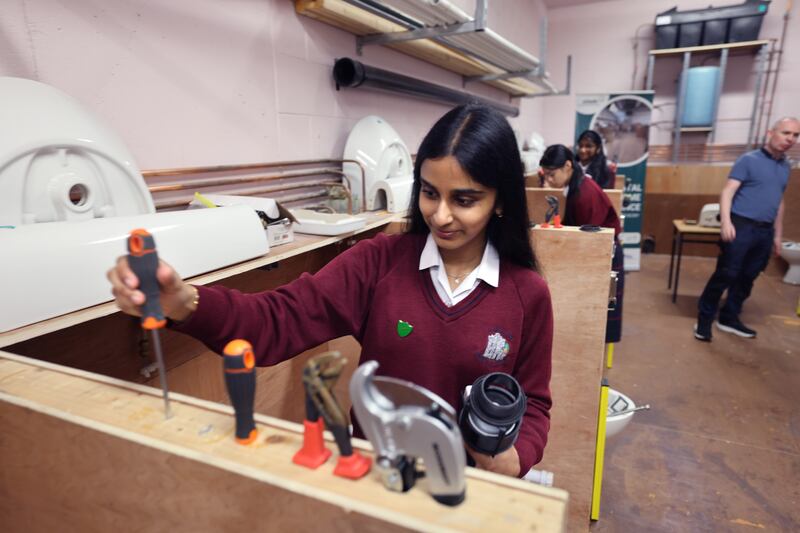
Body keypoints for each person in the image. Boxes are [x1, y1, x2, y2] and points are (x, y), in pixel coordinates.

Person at [107, 104, 554, 478]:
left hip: (466, 487)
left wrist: (515, 460)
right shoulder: (378, 264)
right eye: (430, 193)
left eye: (464, 200)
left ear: (500, 202)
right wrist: (185, 303)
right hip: (376, 479)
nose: (439, 216)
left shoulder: (526, 294)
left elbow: (534, 402)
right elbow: (274, 322)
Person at [694, 117, 799, 342]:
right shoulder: (748, 160)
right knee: (726, 273)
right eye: (786, 133)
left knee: (748, 277)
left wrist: (777, 235)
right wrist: (726, 222)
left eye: (795, 135)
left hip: (765, 231)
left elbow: (779, 201)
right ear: (771, 133)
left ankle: (729, 318)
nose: (790, 139)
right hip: (742, 225)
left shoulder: (786, 167)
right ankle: (703, 321)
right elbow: (728, 192)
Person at [539, 144, 624, 344]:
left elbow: (589, 240)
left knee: (601, 323)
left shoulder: (585, 194)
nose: (549, 181)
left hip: (606, 254)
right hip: (599, 251)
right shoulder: (575, 185)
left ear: (568, 166)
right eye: (546, 175)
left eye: (552, 175)